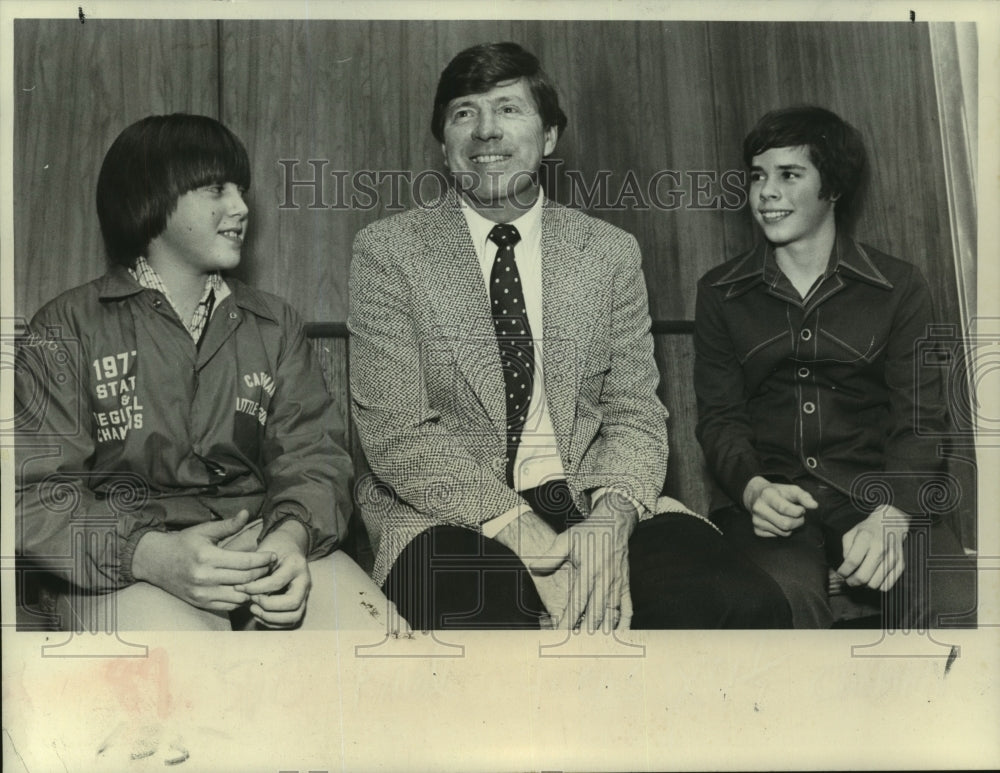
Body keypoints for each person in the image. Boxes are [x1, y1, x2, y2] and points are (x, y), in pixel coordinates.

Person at [349, 41, 791, 631]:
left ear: (550, 136)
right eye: (464, 113)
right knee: (491, 634)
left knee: (742, 606)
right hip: (447, 513)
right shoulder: (389, 252)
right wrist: (518, 529)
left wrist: (609, 523)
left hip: (589, 495)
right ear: (444, 143)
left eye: (508, 109)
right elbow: (396, 430)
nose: (485, 131)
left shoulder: (608, 253)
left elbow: (634, 414)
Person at [15, 113, 387, 631]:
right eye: (216, 189)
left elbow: (315, 458)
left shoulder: (274, 324)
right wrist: (147, 555)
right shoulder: (68, 326)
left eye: (241, 190)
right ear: (152, 200)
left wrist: (290, 539)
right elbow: (32, 495)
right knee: (189, 669)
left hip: (257, 543)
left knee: (377, 644)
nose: (240, 207)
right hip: (121, 567)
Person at [694, 105, 976, 628]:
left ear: (833, 188)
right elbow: (719, 419)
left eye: (789, 175)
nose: (766, 192)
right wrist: (754, 489)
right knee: (779, 600)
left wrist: (893, 516)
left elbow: (921, 420)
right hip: (770, 502)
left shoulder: (898, 287)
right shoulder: (720, 291)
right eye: (758, 176)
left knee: (957, 601)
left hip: (879, 498)